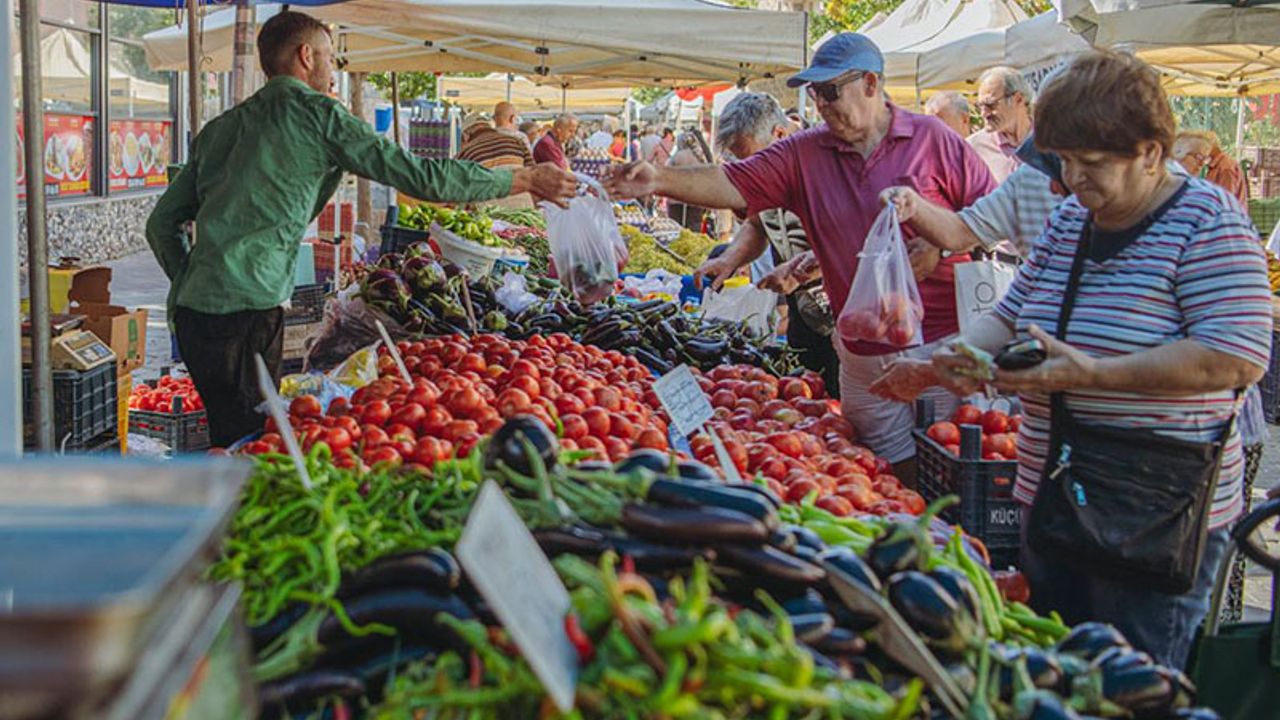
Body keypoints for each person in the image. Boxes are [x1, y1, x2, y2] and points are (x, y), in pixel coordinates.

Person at [927, 52, 1270, 669]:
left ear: (1150, 152)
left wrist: (1092, 375)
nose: (1071, 179)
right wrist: (964, 350)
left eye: (1091, 164)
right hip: (1055, 495)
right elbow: (1011, 310)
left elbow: (1234, 356)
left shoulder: (1209, 223)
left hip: (1152, 515)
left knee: (1131, 679)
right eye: (1064, 161)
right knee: (1056, 667)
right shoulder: (1070, 220)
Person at [145, 10, 576, 446]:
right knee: (250, 443)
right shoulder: (320, 116)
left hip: (194, 314)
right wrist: (523, 178)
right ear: (306, 56)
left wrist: (191, 279)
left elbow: (161, 224)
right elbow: (422, 178)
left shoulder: (221, 128)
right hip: (248, 312)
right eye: (330, 57)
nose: (333, 68)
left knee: (229, 436)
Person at [606, 32, 996, 481]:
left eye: (830, 91)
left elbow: (991, 215)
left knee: (952, 466)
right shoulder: (804, 153)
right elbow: (733, 182)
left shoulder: (933, 139)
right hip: (863, 350)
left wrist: (940, 243)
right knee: (885, 471)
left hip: (942, 338)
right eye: (815, 93)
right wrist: (659, 179)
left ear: (871, 83)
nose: (821, 104)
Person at [696, 92, 840, 396]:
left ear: (780, 135)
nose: (747, 170)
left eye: (751, 160)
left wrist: (804, 269)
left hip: (845, 313)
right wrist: (730, 259)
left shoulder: (826, 162)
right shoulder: (769, 167)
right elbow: (757, 224)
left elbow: (852, 239)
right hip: (803, 313)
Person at [968, 67, 1035, 182]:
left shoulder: (1054, 139)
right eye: (980, 106)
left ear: (1018, 99)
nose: (983, 114)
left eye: (990, 105)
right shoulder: (973, 149)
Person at [1174, 129, 1249, 206]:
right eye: (1198, 157)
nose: (1201, 164)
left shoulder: (1225, 167)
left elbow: (1224, 201)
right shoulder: (1214, 166)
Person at [665, 130, 717, 233]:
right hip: (695, 199)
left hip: (676, 199)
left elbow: (667, 174)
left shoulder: (676, 156)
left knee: (676, 228)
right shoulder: (699, 156)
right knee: (694, 227)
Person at [457, 103, 534, 171]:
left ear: (465, 136)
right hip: (518, 182)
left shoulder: (465, 154)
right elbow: (533, 170)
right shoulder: (517, 141)